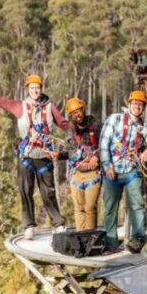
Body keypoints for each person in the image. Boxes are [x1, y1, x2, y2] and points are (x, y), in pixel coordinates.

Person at [0, 75, 69, 239]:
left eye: (37, 87)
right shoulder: (19, 106)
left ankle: (58, 223)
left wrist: (81, 130)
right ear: (27, 89)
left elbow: (64, 124)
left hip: (45, 156)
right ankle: (29, 225)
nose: (35, 91)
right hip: (26, 156)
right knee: (25, 191)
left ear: (41, 88)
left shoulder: (50, 107)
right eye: (31, 88)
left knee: (48, 192)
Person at [98, 90, 147, 253]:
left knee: (137, 205)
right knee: (110, 207)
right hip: (113, 170)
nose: (137, 107)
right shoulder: (114, 120)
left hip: (132, 170)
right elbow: (104, 143)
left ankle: (138, 238)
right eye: (135, 104)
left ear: (143, 108)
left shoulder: (144, 128)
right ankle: (111, 241)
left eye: (141, 105)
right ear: (129, 104)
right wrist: (107, 165)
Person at [60, 97, 102, 231]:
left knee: (90, 208)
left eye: (79, 111)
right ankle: (81, 236)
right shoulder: (71, 130)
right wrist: (59, 155)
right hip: (77, 173)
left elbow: (107, 145)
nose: (77, 115)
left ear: (83, 110)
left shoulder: (95, 125)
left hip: (92, 173)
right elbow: (70, 152)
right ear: (70, 116)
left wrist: (97, 156)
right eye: (73, 113)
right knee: (79, 209)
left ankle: (90, 238)